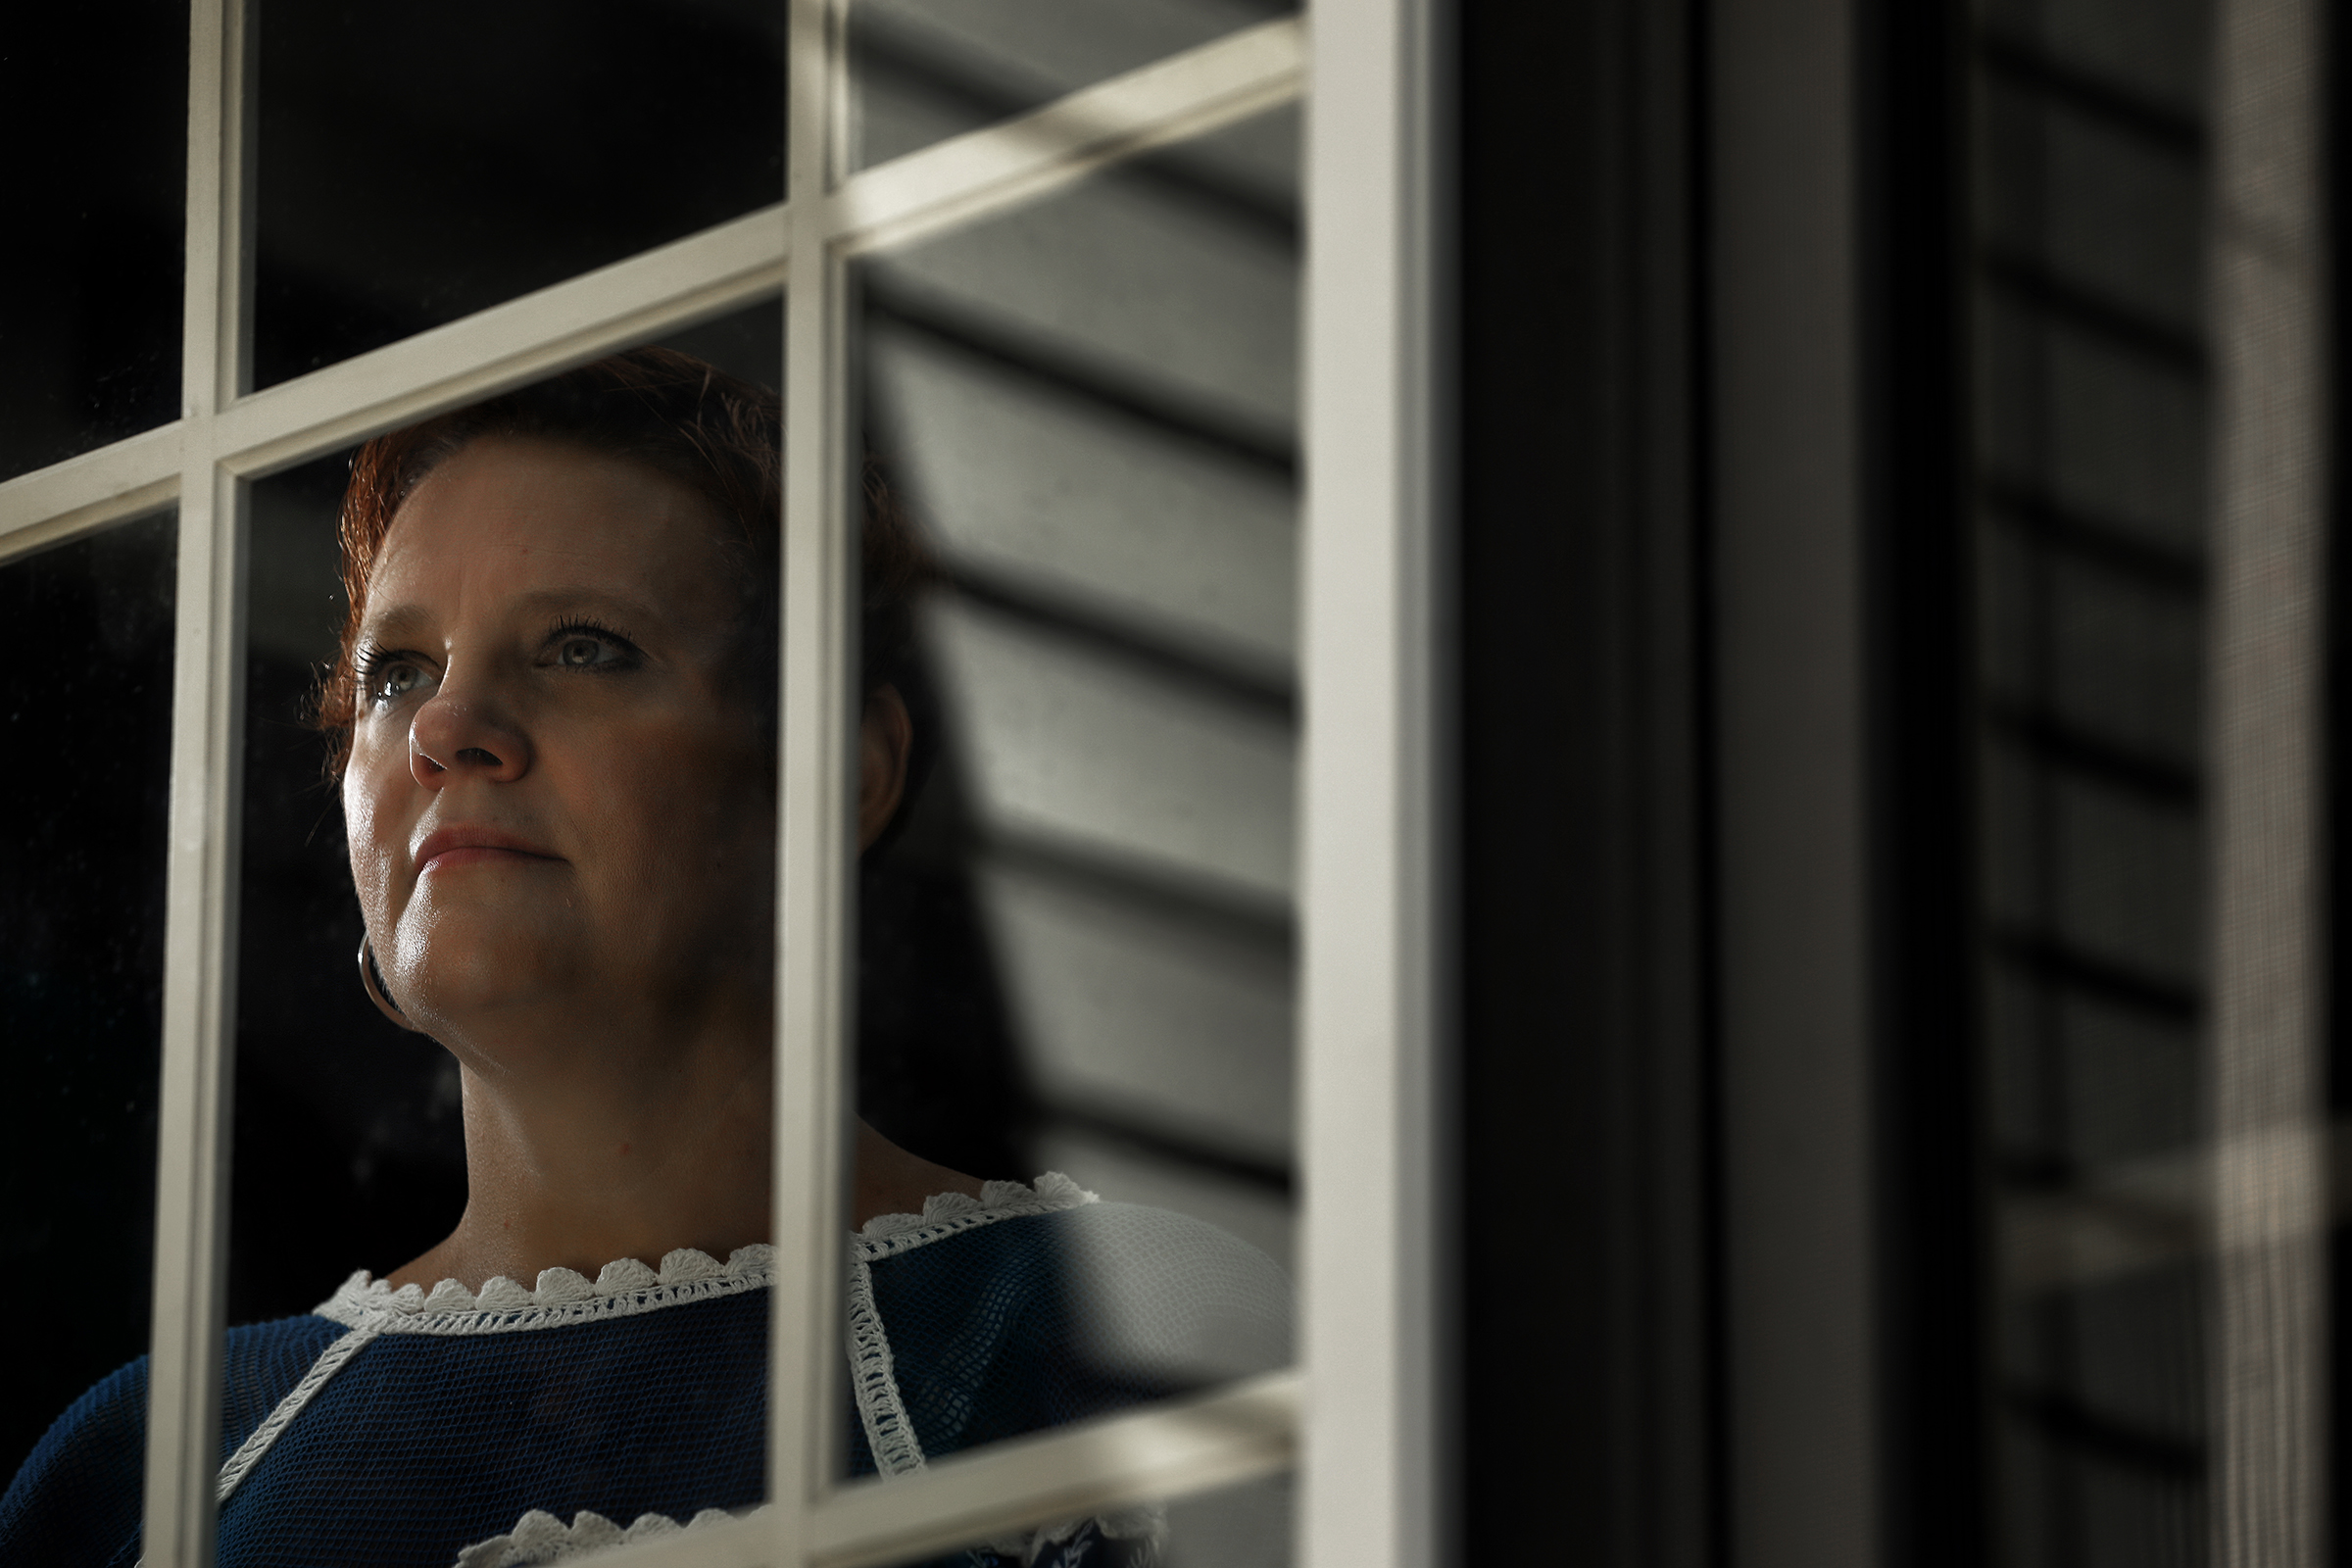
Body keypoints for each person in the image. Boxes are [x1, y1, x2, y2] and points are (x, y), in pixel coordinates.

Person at [0, 350, 1289, 1568]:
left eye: (584, 647)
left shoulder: (1122, 1327)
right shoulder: (139, 1468)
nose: (447, 725)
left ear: (838, 772)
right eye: (395, 672)